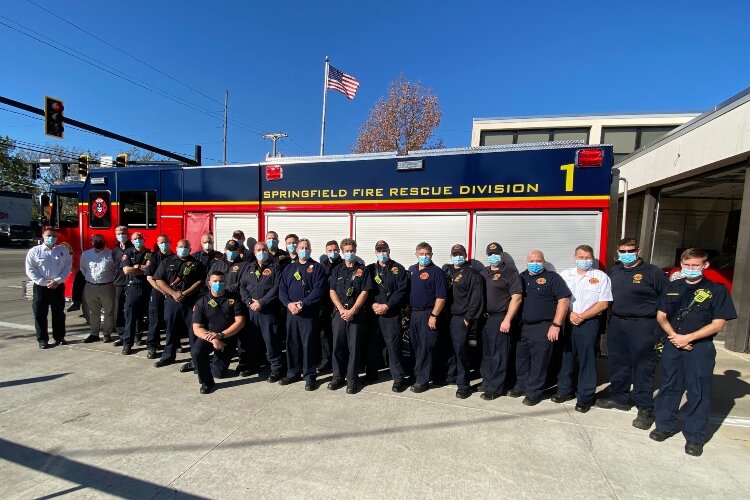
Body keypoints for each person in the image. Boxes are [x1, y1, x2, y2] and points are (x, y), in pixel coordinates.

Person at [649, 248, 737, 456]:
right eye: (687, 265)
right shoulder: (672, 287)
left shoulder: (717, 290)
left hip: (700, 348)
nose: (690, 269)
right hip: (673, 343)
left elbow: (718, 324)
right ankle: (664, 426)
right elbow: (661, 316)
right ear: (681, 264)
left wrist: (688, 338)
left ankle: (695, 437)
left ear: (705, 266)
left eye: (695, 265)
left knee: (698, 392)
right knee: (669, 386)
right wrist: (674, 336)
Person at [597, 238, 668, 430]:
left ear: (639, 251)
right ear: (618, 252)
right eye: (622, 251)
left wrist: (664, 329)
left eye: (630, 250)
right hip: (618, 322)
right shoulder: (615, 270)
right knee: (618, 361)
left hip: (644, 324)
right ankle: (619, 398)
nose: (626, 254)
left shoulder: (653, 273)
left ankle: (644, 407)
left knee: (643, 366)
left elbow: (666, 300)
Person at [554, 245, 613, 412]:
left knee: (587, 359)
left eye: (588, 257)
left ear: (592, 258)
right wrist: (570, 315)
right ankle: (564, 391)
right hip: (568, 320)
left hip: (589, 323)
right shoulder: (565, 275)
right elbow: (559, 299)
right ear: (575, 257)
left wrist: (582, 316)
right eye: (581, 257)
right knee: (566, 356)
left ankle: (585, 397)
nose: (584, 260)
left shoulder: (600, 276)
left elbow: (603, 303)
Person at [508, 250, 571, 406]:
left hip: (543, 326)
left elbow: (564, 301)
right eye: (532, 261)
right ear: (526, 261)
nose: (535, 264)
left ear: (544, 261)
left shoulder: (553, 278)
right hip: (523, 326)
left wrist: (556, 325)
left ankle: (534, 392)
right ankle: (521, 386)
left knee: (539, 361)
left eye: (538, 261)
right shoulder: (520, 277)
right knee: (521, 359)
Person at [278, 238, 327, 390]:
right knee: (292, 343)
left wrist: (302, 304)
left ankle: (309, 375)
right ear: (296, 250)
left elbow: (319, 290)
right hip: (292, 313)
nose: (304, 250)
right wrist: (289, 304)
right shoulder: (288, 269)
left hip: (308, 313)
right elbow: (282, 289)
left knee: (308, 344)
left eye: (307, 247)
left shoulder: (318, 268)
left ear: (310, 249)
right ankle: (293, 372)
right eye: (301, 247)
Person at [478, 242, 523, 400]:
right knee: (487, 353)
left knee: (499, 354)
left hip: (500, 318)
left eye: (496, 253)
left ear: (502, 255)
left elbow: (516, 298)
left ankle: (496, 388)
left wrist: (507, 319)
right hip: (485, 319)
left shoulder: (511, 273)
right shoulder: (483, 273)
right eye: (490, 254)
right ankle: (487, 381)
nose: (493, 257)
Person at [327, 238, 372, 394]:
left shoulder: (363, 270)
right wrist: (341, 309)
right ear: (342, 252)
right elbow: (332, 291)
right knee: (337, 347)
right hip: (339, 314)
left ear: (355, 250)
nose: (350, 253)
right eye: (346, 251)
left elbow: (365, 292)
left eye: (352, 250)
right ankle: (337, 377)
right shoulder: (337, 269)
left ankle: (352, 380)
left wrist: (352, 310)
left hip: (356, 315)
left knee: (354, 348)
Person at [153, 239, 207, 370]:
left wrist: (185, 293)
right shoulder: (167, 262)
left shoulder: (196, 263)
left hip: (190, 301)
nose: (183, 249)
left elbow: (200, 281)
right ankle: (168, 356)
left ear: (190, 249)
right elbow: (159, 280)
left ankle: (196, 359)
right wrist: (173, 293)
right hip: (172, 301)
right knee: (171, 329)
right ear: (176, 248)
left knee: (193, 331)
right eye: (181, 247)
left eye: (186, 247)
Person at [191, 270, 246, 394]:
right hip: (209, 337)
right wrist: (214, 339)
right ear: (209, 283)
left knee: (218, 373)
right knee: (196, 352)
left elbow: (240, 322)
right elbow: (197, 328)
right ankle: (207, 383)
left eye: (221, 281)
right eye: (215, 281)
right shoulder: (202, 302)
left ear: (226, 282)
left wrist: (221, 335)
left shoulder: (234, 299)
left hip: (228, 338)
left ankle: (199, 365)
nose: (218, 283)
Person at [366, 240, 410, 392]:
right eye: (379, 250)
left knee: (393, 346)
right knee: (372, 345)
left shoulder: (399, 269)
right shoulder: (370, 269)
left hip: (391, 314)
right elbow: (366, 290)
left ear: (389, 250)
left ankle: (398, 378)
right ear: (375, 252)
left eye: (384, 250)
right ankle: (371, 374)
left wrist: (387, 305)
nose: (382, 253)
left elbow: (402, 291)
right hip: (373, 313)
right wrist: (372, 304)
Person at [238, 242, 284, 382]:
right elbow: (242, 286)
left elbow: (276, 288)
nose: (261, 252)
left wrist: (261, 302)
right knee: (253, 339)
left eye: (264, 249)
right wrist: (249, 302)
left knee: (271, 340)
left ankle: (276, 367)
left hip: (268, 311)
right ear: (254, 251)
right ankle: (254, 364)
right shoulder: (248, 267)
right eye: (258, 250)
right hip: (252, 310)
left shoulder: (275, 268)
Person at [443, 244, 484, 399]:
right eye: (455, 254)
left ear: (465, 255)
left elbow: (476, 298)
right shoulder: (447, 271)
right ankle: (451, 375)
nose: (458, 257)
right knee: (450, 349)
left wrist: (469, 317)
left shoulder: (472, 274)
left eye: (460, 254)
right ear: (451, 256)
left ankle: (464, 385)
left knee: (461, 351)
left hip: (461, 318)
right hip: (447, 317)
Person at [210, 240, 254, 375]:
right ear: (225, 249)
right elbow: (209, 281)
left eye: (234, 249)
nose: (231, 251)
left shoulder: (245, 265)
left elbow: (243, 283)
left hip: (236, 303)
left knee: (242, 336)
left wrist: (228, 289)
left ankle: (244, 362)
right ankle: (217, 360)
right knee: (220, 331)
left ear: (239, 251)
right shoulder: (217, 264)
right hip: (219, 305)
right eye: (229, 249)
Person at [408, 242, 447, 393]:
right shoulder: (411, 270)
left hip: (428, 314)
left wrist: (433, 315)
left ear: (431, 255)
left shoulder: (437, 272)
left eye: (427, 254)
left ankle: (423, 381)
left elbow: (441, 297)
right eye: (421, 254)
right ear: (416, 254)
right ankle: (417, 375)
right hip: (414, 314)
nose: (424, 257)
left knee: (426, 347)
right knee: (416, 347)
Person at [25, 228, 72, 348]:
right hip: (41, 287)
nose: (52, 238)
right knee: (40, 313)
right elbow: (30, 269)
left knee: (58, 314)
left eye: (54, 236)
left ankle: (59, 337)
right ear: (43, 236)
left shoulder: (63, 250)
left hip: (57, 286)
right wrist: (43, 282)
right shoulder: (35, 251)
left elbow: (67, 267)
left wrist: (57, 281)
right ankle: (42, 340)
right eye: (49, 235)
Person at [79, 233, 117, 343]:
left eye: (100, 240)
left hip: (107, 287)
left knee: (109, 312)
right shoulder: (86, 254)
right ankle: (94, 334)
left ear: (104, 241)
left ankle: (107, 334)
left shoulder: (111, 254)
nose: (98, 242)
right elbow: (83, 269)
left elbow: (115, 271)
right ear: (92, 242)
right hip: (91, 287)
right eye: (95, 241)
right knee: (93, 312)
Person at [120, 232, 152, 355]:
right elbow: (127, 270)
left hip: (147, 287)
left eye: (140, 238)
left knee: (146, 316)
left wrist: (137, 267)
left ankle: (139, 337)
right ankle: (127, 343)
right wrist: (141, 268)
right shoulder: (128, 252)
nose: (138, 240)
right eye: (135, 238)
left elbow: (150, 269)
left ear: (144, 239)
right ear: (131, 241)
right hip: (133, 287)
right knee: (130, 316)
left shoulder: (149, 253)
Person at [144, 234, 172, 359]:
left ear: (170, 242)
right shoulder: (152, 257)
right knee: (154, 320)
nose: (164, 244)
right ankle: (152, 346)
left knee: (170, 320)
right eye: (161, 242)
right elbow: (149, 278)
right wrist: (162, 290)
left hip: (171, 293)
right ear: (157, 243)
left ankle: (172, 344)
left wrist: (170, 291)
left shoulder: (174, 257)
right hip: (157, 292)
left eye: (165, 242)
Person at [317, 239, 343, 372]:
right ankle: (326, 360)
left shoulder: (344, 264)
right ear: (326, 251)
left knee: (339, 335)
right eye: (330, 250)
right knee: (325, 334)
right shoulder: (322, 266)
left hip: (340, 305)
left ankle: (339, 361)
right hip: (325, 305)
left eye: (335, 250)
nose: (333, 252)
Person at [112, 226, 132, 342]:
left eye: (123, 233)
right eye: (118, 233)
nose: (121, 235)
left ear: (127, 234)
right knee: (119, 308)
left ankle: (132, 333)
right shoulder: (115, 249)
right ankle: (121, 334)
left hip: (131, 282)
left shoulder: (133, 247)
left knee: (130, 308)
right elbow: (115, 265)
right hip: (119, 282)